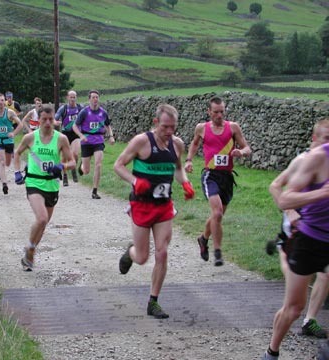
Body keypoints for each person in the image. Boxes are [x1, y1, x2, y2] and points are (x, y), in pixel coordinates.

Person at [114, 104, 195, 319]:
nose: (169, 132)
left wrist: (185, 183)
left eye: (173, 128)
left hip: (163, 206)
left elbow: (177, 169)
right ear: (155, 122)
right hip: (141, 205)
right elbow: (118, 165)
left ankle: (153, 301)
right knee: (142, 257)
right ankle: (130, 253)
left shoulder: (177, 144)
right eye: (165, 127)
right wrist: (135, 181)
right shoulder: (141, 142)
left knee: (163, 252)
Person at [261, 139, 329, 360]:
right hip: (310, 239)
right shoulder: (317, 158)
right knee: (294, 307)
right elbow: (286, 199)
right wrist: (322, 193)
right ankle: (272, 352)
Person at [184, 96, 251, 266]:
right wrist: (189, 160)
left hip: (227, 177)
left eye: (222, 111)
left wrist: (240, 152)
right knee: (218, 212)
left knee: (217, 216)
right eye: (216, 112)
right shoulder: (202, 128)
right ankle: (218, 252)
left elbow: (247, 148)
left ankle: (203, 238)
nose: (219, 115)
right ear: (209, 112)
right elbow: (194, 144)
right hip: (210, 175)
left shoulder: (233, 127)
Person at [13, 104, 76, 271]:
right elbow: (17, 153)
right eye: (44, 119)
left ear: (54, 120)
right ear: (38, 120)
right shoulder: (30, 137)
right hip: (34, 182)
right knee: (41, 218)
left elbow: (73, 162)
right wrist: (17, 172)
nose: (48, 123)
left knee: (44, 223)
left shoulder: (61, 139)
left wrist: (62, 167)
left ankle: (30, 249)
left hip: (52, 184)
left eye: (50, 119)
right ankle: (31, 250)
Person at [72, 90, 115, 199]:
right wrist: (81, 136)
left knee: (98, 164)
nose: (95, 99)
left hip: (99, 141)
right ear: (89, 99)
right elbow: (75, 126)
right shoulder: (84, 112)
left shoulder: (103, 112)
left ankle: (95, 191)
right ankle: (82, 166)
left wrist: (111, 136)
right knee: (86, 171)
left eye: (97, 97)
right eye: (93, 97)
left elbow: (108, 126)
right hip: (86, 141)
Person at [0, 94, 24, 194]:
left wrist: (13, 133)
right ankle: (4, 184)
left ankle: (3, 176)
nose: (1, 102)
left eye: (2, 100)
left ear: (5, 102)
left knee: (7, 163)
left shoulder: (10, 113)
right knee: (1, 162)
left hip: (8, 141)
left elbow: (20, 124)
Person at [55, 90, 84, 186]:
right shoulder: (63, 108)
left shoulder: (80, 108)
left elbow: (86, 117)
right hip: (65, 134)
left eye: (74, 97)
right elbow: (55, 118)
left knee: (75, 154)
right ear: (67, 97)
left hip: (76, 134)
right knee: (64, 157)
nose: (72, 99)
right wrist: (56, 122)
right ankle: (65, 176)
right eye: (71, 97)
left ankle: (73, 168)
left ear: (76, 98)